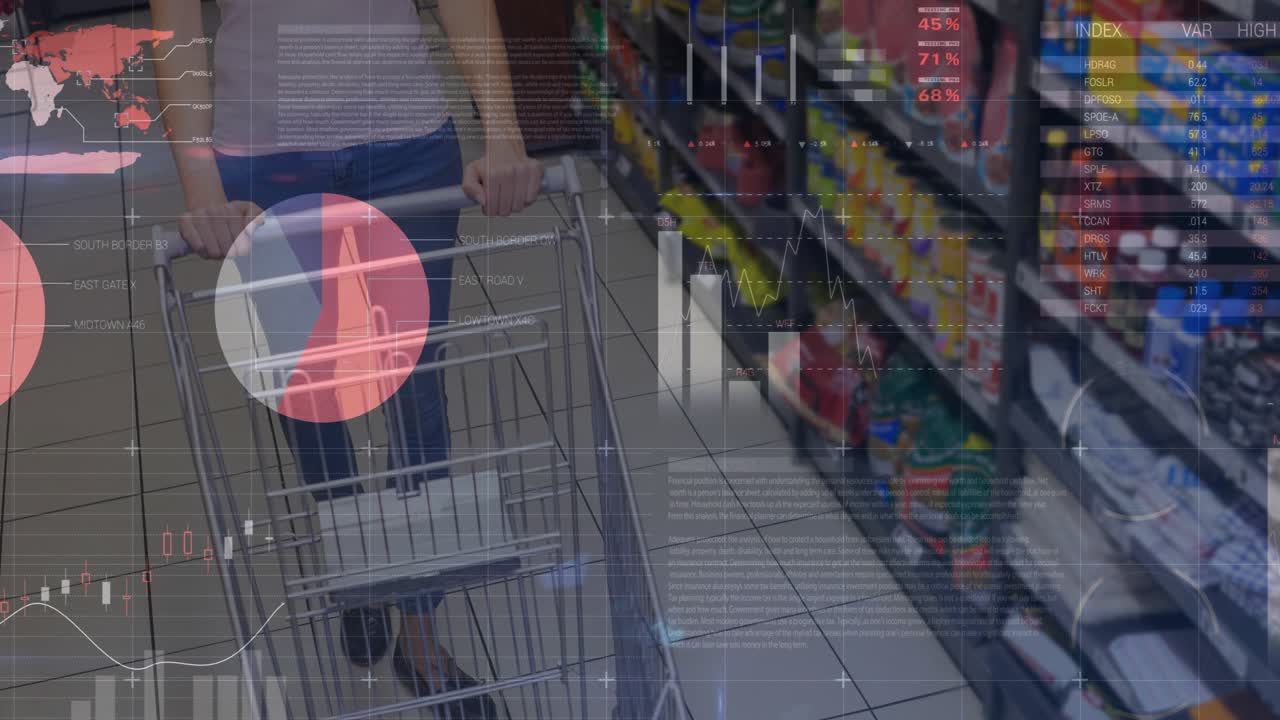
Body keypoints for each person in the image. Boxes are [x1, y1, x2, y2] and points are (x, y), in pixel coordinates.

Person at [149, 0, 544, 716]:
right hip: (262, 159)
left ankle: (419, 633)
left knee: (416, 391)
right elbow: (175, 26)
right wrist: (202, 187)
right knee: (311, 391)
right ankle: (357, 569)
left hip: (408, 144)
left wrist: (505, 131)